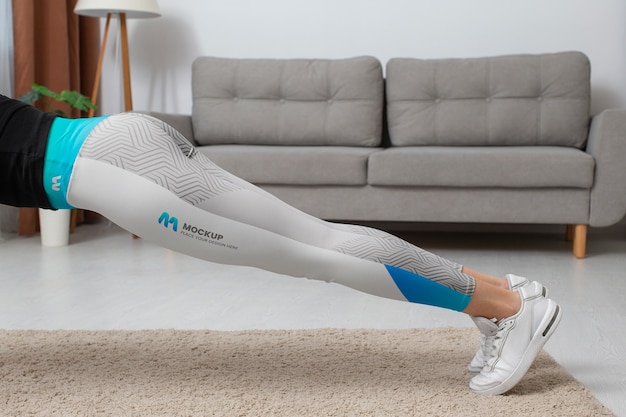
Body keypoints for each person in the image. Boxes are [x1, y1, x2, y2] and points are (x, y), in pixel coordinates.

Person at [0, 94, 561, 395]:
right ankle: (502, 295)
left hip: (112, 169)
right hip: (112, 150)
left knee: (319, 251)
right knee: (318, 244)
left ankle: (511, 309)